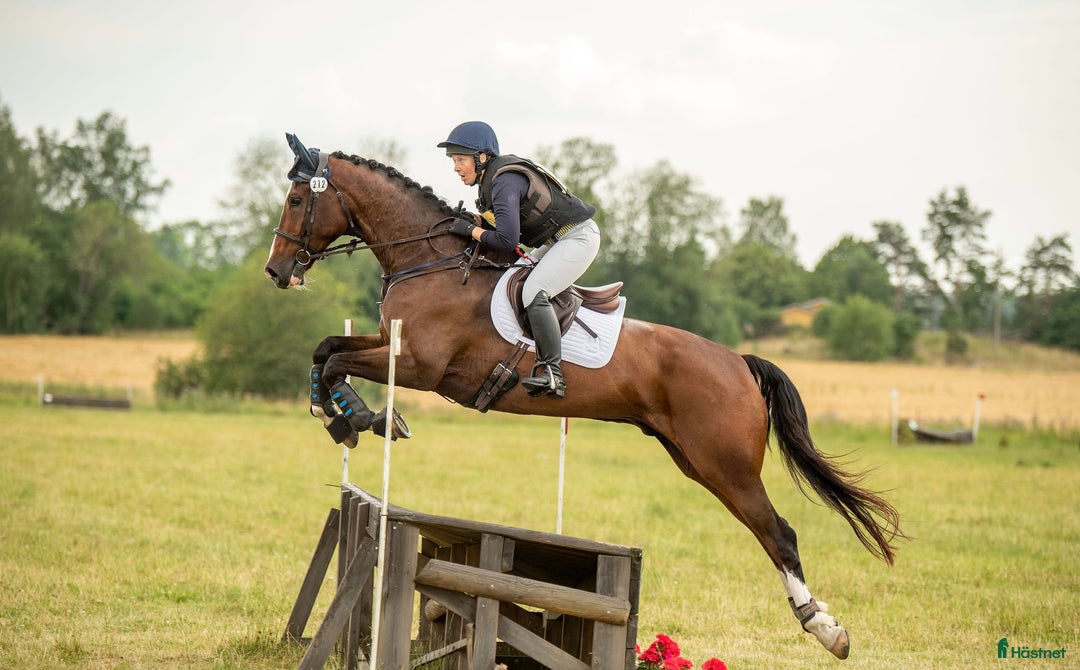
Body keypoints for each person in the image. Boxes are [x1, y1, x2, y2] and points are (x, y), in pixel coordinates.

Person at [438, 121, 600, 399]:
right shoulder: (493, 181)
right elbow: (500, 231)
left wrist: (471, 231)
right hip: (558, 241)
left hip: (577, 238)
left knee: (534, 291)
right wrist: (472, 221)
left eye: (460, 159)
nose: (456, 167)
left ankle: (553, 373)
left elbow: (507, 241)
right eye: (454, 160)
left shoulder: (503, 181)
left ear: (482, 158)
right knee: (509, 281)